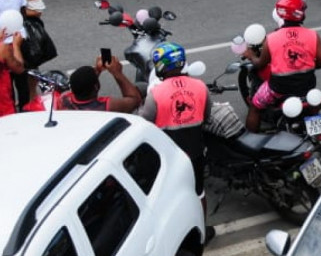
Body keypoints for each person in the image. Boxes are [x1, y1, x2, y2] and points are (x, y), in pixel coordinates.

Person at [139, 42, 212, 233]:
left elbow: (145, 121)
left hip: (168, 157)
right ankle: (202, 231)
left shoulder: (155, 93)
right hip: (195, 152)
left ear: (160, 66)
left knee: (168, 196)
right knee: (199, 193)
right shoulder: (200, 87)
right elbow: (207, 115)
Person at [243, 0, 321, 132]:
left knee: (255, 107)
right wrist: (309, 65)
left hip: (278, 89)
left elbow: (260, 64)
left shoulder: (271, 39)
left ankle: (250, 143)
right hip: (307, 87)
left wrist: (251, 55)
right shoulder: (312, 35)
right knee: (314, 108)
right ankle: (316, 131)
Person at [56, 55, 142, 112]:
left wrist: (98, 70)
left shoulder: (64, 98)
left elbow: (83, 82)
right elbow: (135, 99)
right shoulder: (107, 106)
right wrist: (117, 73)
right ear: (96, 87)